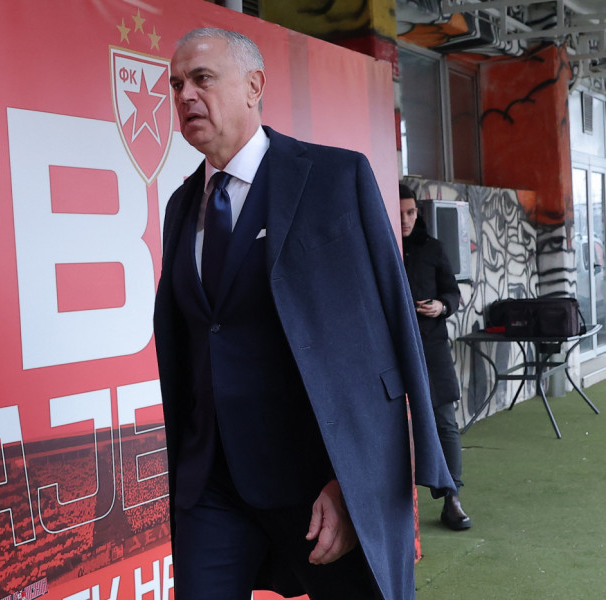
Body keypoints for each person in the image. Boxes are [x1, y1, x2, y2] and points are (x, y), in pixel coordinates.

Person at [153, 27, 454, 600]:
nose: (186, 95)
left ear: (254, 86)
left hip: (323, 481)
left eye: (203, 78)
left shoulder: (335, 178)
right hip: (212, 485)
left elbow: (386, 332)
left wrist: (354, 482)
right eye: (176, 84)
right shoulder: (180, 207)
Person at [399, 183, 472, 531]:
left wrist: (442, 306)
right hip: (390, 350)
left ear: (418, 212)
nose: (405, 219)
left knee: (445, 421)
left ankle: (452, 498)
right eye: (399, 213)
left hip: (432, 347)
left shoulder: (432, 248)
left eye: (410, 212)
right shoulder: (379, 246)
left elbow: (452, 293)